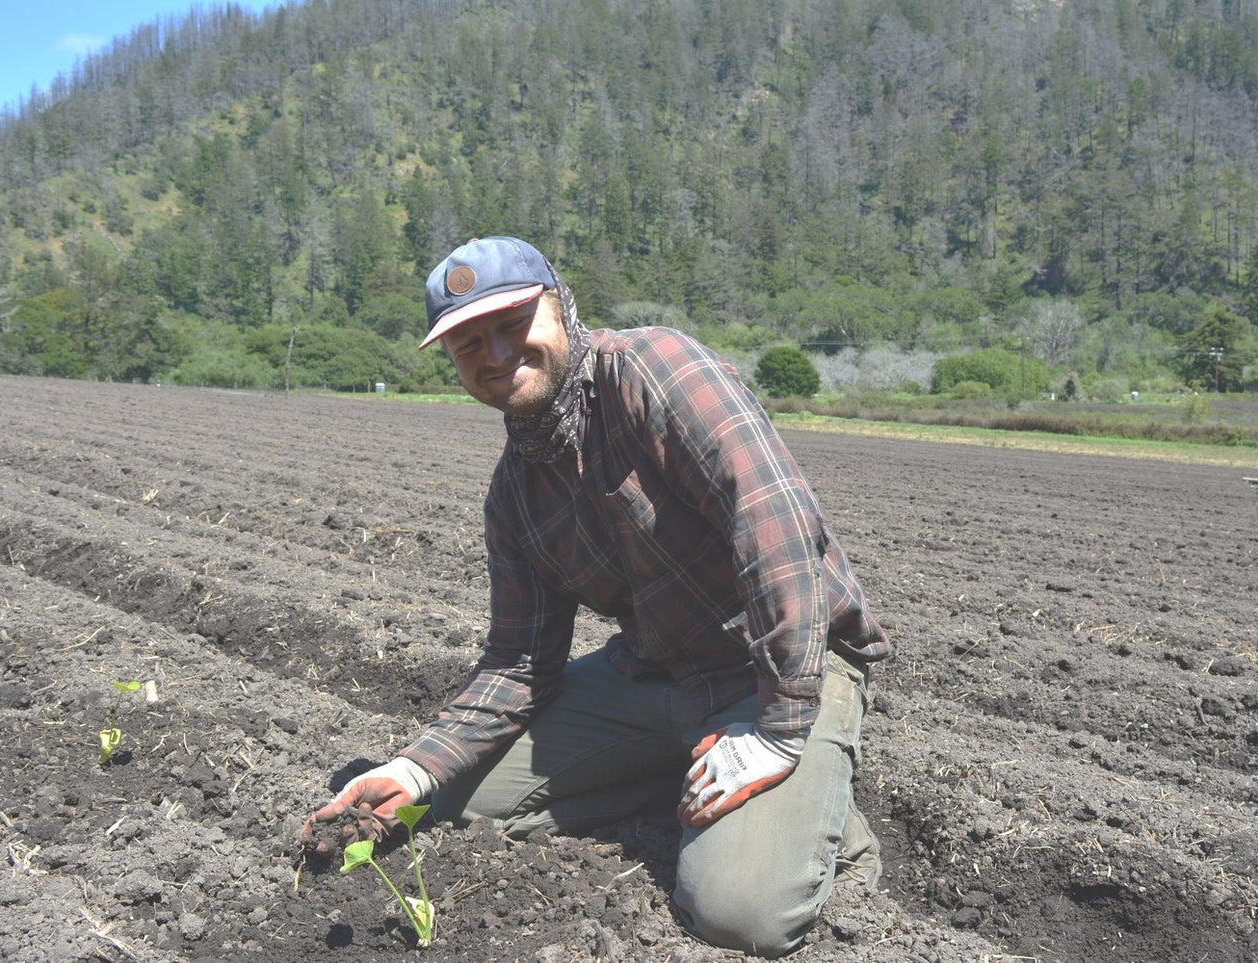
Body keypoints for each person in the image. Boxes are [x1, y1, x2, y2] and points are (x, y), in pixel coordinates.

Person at [303, 236, 891, 956]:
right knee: (441, 809)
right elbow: (517, 662)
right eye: (466, 342)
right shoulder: (514, 493)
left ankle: (814, 813)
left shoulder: (655, 369)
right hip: (653, 673)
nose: (493, 352)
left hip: (777, 666)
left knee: (742, 914)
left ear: (561, 307)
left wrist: (779, 729)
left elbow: (775, 525)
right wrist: (411, 766)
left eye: (511, 323)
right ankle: (688, 770)